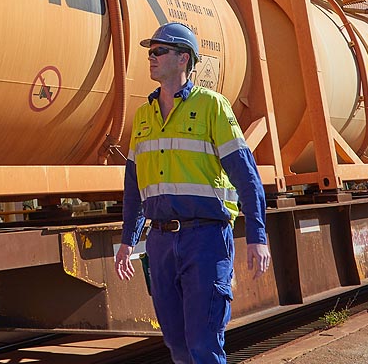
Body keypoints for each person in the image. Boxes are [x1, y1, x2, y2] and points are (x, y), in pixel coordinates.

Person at [113, 22, 271, 364]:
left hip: (206, 239)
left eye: (159, 51)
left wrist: (258, 235)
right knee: (177, 343)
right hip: (160, 243)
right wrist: (128, 240)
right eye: (150, 52)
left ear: (183, 59)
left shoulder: (213, 107)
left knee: (203, 342)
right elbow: (134, 187)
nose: (151, 58)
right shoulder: (143, 116)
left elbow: (246, 176)